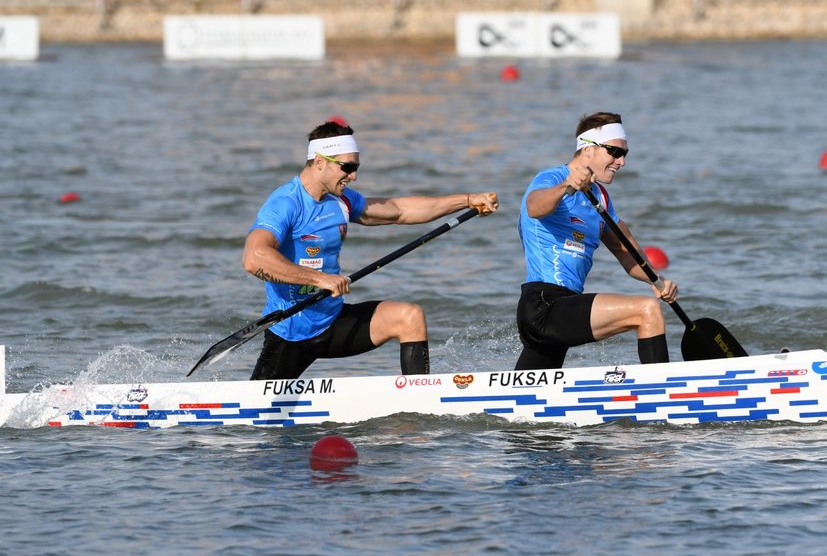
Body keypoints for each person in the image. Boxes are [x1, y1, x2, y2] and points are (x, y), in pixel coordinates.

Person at [244, 118, 499, 380]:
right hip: (291, 331)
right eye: (347, 166)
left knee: (408, 317)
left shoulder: (340, 200)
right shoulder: (285, 203)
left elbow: (400, 211)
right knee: (259, 417)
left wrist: (467, 200)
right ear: (319, 161)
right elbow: (254, 258)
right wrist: (320, 279)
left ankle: (419, 402)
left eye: (356, 167)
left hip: (333, 321)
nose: (353, 176)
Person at [515, 111, 678, 370]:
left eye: (625, 153)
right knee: (646, 310)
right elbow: (534, 207)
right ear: (588, 149)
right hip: (544, 305)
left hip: (566, 308)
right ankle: (663, 392)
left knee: (523, 400)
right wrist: (565, 186)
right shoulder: (552, 178)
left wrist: (656, 281)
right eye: (614, 151)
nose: (621, 161)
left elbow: (625, 250)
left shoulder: (601, 197)